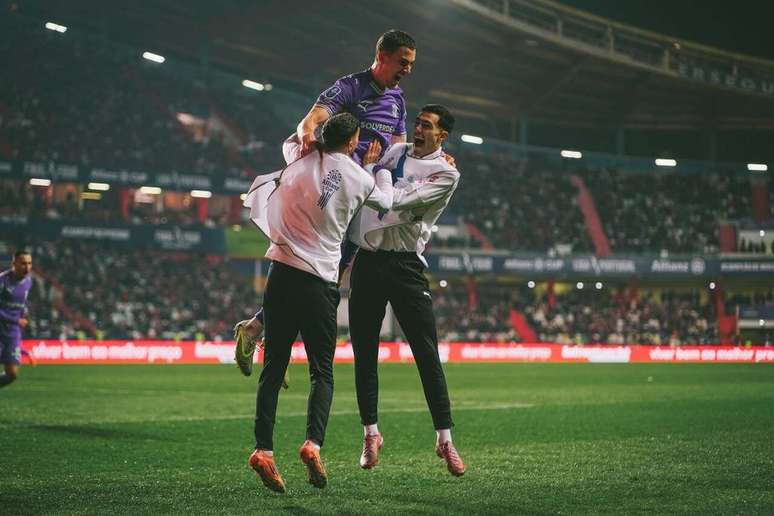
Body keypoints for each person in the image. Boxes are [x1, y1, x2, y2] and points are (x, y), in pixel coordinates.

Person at [234, 30, 417, 357]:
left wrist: (431, 157)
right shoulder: (349, 87)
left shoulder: (398, 100)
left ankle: (263, 330)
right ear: (382, 56)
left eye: (411, 64)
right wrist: (307, 134)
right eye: (402, 62)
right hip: (339, 189)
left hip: (365, 191)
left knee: (335, 266)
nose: (407, 70)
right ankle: (275, 337)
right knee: (317, 268)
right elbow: (313, 118)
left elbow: (400, 148)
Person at [240, 112, 395, 493]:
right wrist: (375, 166)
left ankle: (263, 450)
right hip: (319, 282)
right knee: (322, 372)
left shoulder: (298, 156)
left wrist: (308, 133)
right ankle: (312, 444)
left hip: (280, 275)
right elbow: (387, 201)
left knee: (273, 369)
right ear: (352, 142)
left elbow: (293, 137)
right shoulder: (359, 176)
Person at [347, 104, 466, 476]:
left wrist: (375, 172)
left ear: (442, 136)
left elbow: (392, 200)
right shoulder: (396, 152)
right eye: (417, 122)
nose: (418, 129)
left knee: (426, 354)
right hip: (368, 260)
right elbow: (366, 178)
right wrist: (377, 170)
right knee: (364, 351)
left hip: (405, 266)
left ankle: (445, 440)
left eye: (427, 126)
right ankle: (371, 434)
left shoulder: (446, 174)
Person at [0, 250, 33, 389]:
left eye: (29, 263)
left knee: (12, 374)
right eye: (23, 263)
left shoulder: (28, 282)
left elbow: (22, 302)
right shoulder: (3, 280)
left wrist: (24, 312)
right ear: (14, 264)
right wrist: (15, 321)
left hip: (13, 333)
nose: (27, 267)